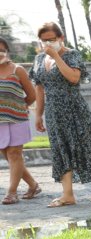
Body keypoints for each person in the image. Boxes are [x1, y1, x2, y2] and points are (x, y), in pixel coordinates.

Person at [30, 22, 91, 207]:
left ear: (61, 38)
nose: (48, 43)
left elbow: (74, 78)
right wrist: (39, 115)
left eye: (52, 39)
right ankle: (68, 195)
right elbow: (39, 88)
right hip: (54, 112)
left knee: (88, 146)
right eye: (44, 40)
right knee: (60, 149)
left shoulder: (72, 55)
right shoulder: (38, 59)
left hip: (74, 108)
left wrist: (56, 56)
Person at [0, 37, 40, 205]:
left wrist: (20, 106)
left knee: (14, 154)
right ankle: (33, 185)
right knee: (8, 155)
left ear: (7, 52)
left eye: (1, 50)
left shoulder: (18, 70)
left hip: (17, 119)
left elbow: (32, 95)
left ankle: (12, 192)